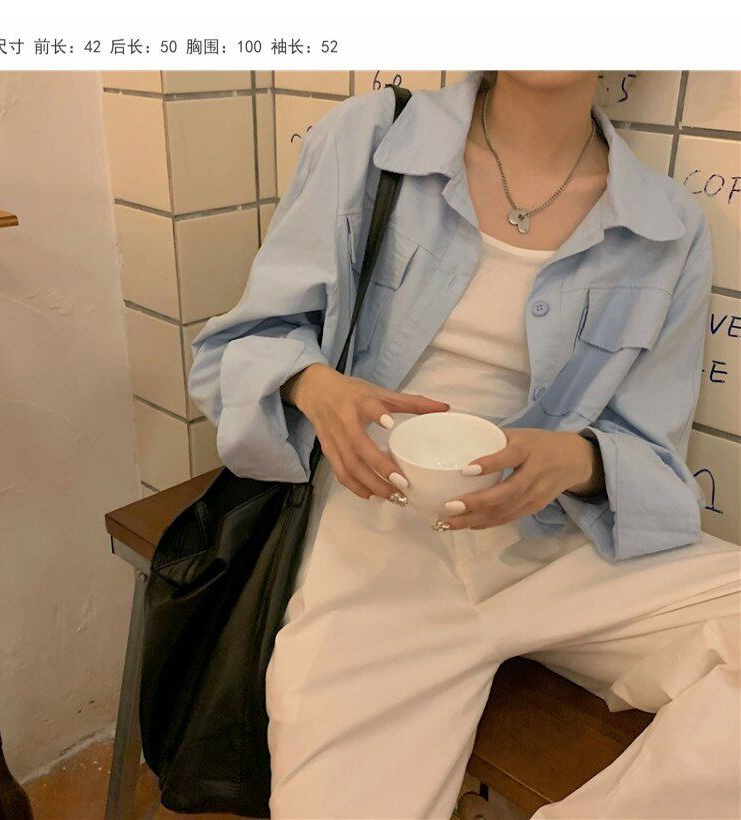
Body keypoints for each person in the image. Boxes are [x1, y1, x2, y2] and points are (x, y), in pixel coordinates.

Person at [188, 70, 740, 819]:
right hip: (378, 538)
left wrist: (575, 459)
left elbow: (652, 453)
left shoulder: (666, 225)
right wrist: (315, 387)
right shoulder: (371, 139)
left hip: (565, 547)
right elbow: (235, 350)